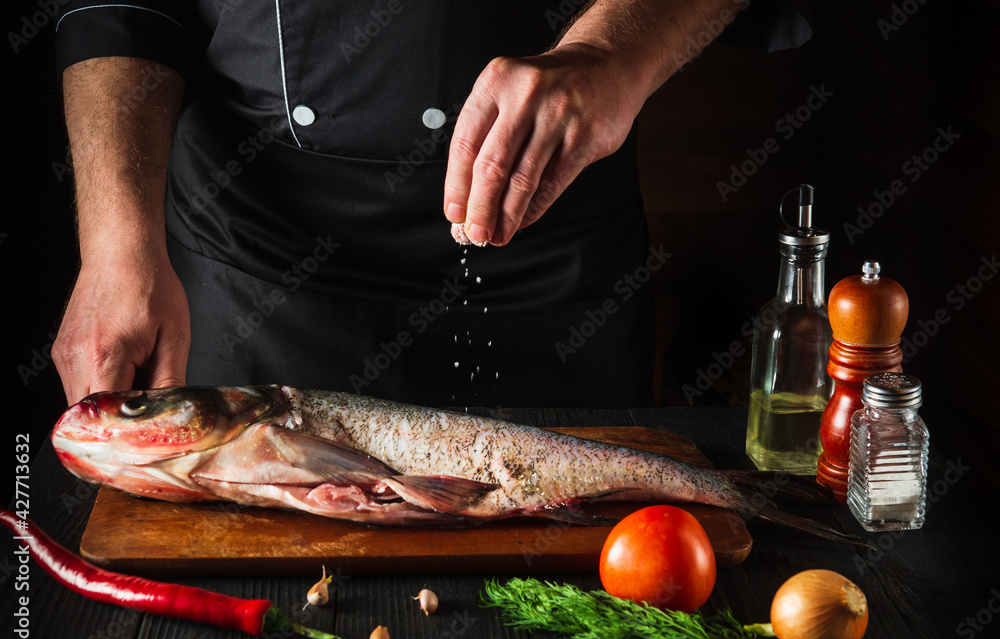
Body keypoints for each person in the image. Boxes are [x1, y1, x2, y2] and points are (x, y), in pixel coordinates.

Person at [51, 0, 808, 409]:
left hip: (549, 269)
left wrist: (611, 53)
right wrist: (115, 246)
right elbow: (121, 6)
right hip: (258, 272)